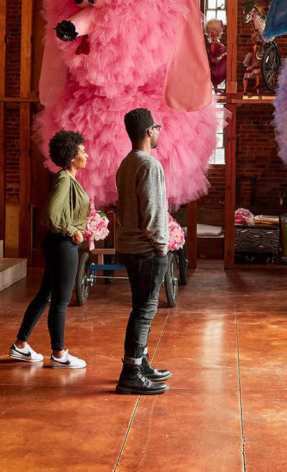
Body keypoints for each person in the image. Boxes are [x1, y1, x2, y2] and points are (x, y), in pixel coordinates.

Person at [9, 130, 90, 369]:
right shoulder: (65, 180)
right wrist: (71, 230)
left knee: (45, 295)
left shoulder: (68, 179)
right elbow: (51, 215)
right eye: (82, 151)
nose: (87, 155)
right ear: (71, 156)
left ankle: (20, 345)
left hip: (58, 245)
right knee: (60, 301)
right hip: (63, 246)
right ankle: (59, 354)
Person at [114, 108, 171, 395]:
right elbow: (152, 213)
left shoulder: (126, 163)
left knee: (141, 308)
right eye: (157, 127)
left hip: (129, 246)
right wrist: (162, 245)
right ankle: (131, 372)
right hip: (146, 249)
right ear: (149, 131)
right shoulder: (149, 165)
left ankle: (142, 362)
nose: (159, 131)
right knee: (144, 311)